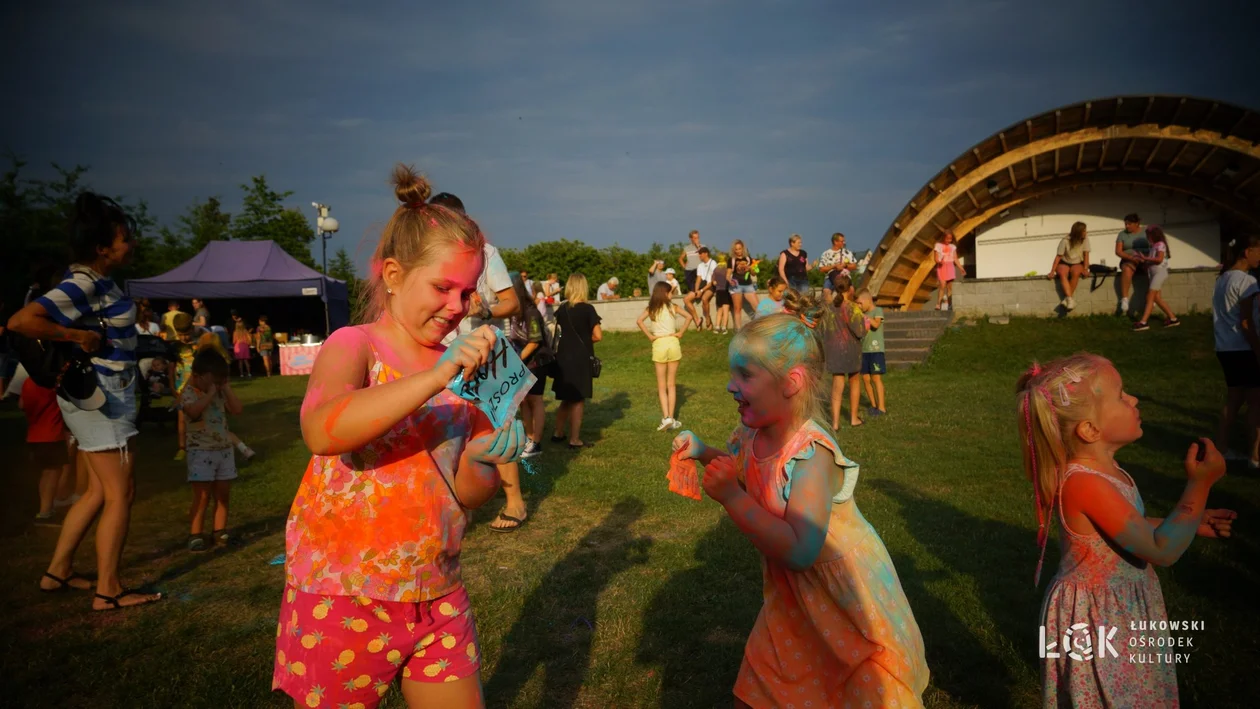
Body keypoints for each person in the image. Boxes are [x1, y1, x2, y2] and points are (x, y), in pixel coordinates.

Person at [274, 164, 524, 709]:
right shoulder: (353, 344)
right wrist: (435, 376)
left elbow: (467, 494)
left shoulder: (468, 371)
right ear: (391, 274)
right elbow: (322, 429)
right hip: (341, 594)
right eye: (442, 287)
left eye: (466, 291)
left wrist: (485, 454)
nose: (457, 307)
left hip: (436, 591)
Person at [671, 301, 928, 708]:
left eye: (745, 375)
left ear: (790, 383)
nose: (730, 386)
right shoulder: (751, 434)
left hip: (842, 601)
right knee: (760, 690)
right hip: (790, 601)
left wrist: (733, 499)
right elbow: (744, 471)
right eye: (731, 373)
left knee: (851, 690)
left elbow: (801, 549)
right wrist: (703, 451)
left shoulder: (812, 456)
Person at [1017, 354, 1233, 708]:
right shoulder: (1083, 483)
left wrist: (1190, 522)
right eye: (1121, 395)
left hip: (1121, 610)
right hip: (1099, 620)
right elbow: (1162, 551)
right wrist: (1200, 484)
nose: (1133, 400)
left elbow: (1120, 527)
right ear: (1089, 430)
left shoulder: (1107, 471)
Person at [9, 192, 161, 609]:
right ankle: (108, 590)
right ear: (101, 247)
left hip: (103, 395)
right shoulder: (84, 283)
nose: (131, 243)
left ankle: (57, 571)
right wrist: (78, 336)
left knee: (96, 491)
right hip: (104, 398)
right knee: (120, 493)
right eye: (124, 237)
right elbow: (22, 321)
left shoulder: (100, 283)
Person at [491, 273, 549, 533]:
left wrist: (517, 360)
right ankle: (527, 438)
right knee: (523, 403)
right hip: (520, 366)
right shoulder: (512, 315)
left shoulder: (531, 313)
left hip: (534, 364)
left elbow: (535, 340)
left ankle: (536, 440)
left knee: (535, 401)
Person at [430, 192, 521, 337]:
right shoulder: (426, 256)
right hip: (441, 349)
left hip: (481, 350)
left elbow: (512, 303)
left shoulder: (486, 252)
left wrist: (486, 312)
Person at [181, 348, 243, 551]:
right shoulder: (189, 392)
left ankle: (220, 531)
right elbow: (192, 412)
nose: (217, 383)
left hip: (223, 449)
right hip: (201, 451)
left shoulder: (219, 391)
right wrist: (209, 395)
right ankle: (196, 533)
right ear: (199, 376)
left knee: (223, 493)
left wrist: (226, 390)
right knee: (202, 496)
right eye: (213, 379)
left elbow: (237, 410)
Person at [1212, 234, 1260, 465]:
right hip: (1243, 348)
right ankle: (1255, 455)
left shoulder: (1222, 278)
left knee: (1233, 401)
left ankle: (1220, 447)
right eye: (1258, 251)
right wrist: (1258, 350)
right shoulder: (1247, 281)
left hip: (1225, 348)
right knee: (1255, 403)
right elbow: (1246, 322)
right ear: (1246, 252)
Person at [551, 274, 602, 450]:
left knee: (566, 397)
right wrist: (585, 340)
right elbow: (598, 335)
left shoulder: (562, 309)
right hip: (580, 358)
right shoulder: (588, 310)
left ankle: (558, 432)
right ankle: (575, 439)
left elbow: (558, 333)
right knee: (578, 399)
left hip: (563, 357)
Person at [637, 281, 693, 432]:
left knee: (662, 385)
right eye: (670, 292)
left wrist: (650, 336)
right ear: (665, 293)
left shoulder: (651, 309)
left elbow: (639, 321)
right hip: (673, 343)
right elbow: (689, 317)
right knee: (671, 384)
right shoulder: (673, 307)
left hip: (659, 344)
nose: (672, 295)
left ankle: (666, 417)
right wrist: (680, 333)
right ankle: (672, 419)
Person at [820, 276, 868, 429]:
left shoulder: (830, 308)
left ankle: (834, 423)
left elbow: (824, 330)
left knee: (837, 384)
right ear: (850, 288)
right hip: (851, 349)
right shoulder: (853, 307)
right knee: (854, 381)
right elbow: (860, 331)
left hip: (834, 350)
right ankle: (854, 418)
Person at [23, 376, 68, 526]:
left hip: (34, 434)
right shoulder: (51, 383)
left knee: (45, 473)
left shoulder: (28, 381)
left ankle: (45, 508)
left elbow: (21, 404)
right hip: (51, 434)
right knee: (52, 473)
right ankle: (45, 512)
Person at [1133, 225, 1180, 331]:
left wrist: (1145, 258)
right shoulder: (1154, 246)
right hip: (1155, 274)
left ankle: (1143, 322)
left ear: (1153, 235)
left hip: (1160, 273)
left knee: (1150, 297)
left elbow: (1159, 259)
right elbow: (1153, 261)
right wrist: (1143, 260)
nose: (1147, 238)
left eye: (1148, 236)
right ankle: (1173, 319)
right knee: (1157, 298)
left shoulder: (1160, 245)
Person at [1046, 221, 1091, 311]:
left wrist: (1086, 268)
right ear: (1078, 232)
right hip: (1065, 261)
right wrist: (1052, 271)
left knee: (1076, 272)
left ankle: (1066, 299)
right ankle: (1070, 299)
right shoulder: (1065, 240)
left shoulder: (1085, 239)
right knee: (1062, 273)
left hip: (1078, 262)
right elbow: (1058, 256)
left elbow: (1086, 254)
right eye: (1084, 231)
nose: (1086, 233)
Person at [857, 290, 887, 416]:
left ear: (867, 300)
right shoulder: (861, 314)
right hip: (864, 350)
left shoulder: (877, 311)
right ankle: (873, 406)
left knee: (876, 378)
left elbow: (875, 325)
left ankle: (882, 408)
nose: (859, 306)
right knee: (865, 379)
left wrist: (866, 317)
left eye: (860, 303)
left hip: (876, 350)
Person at [1115, 213, 1150, 314]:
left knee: (1152, 270)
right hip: (1128, 259)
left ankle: (1152, 297)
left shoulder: (1146, 232)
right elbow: (1118, 251)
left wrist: (1145, 257)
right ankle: (1124, 299)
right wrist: (1131, 257)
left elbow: (1153, 246)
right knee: (1127, 269)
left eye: (1129, 224)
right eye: (1125, 224)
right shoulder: (1122, 234)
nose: (1127, 226)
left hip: (1145, 258)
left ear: (1137, 223)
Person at [729, 239, 760, 329]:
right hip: (736, 285)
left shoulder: (748, 259)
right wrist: (729, 280)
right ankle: (738, 330)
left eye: (740, 248)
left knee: (758, 307)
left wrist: (750, 269)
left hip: (748, 285)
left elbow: (754, 273)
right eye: (736, 249)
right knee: (737, 308)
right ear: (734, 250)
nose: (738, 251)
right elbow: (728, 273)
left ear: (743, 248)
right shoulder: (731, 260)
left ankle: (761, 326)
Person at [818, 232, 857, 302]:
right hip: (830, 277)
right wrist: (834, 266)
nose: (844, 243)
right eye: (842, 241)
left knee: (851, 290)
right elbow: (821, 269)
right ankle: (831, 310)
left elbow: (854, 266)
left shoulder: (847, 252)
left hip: (845, 276)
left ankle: (849, 308)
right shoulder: (826, 254)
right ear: (835, 242)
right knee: (826, 291)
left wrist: (845, 265)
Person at [685, 247, 717, 330]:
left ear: (706, 253)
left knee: (704, 299)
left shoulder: (713, 263)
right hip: (701, 286)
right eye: (699, 253)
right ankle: (697, 320)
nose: (699, 255)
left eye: (700, 253)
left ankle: (707, 319)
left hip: (710, 286)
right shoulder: (700, 265)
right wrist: (696, 291)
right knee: (686, 299)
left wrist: (701, 291)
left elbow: (712, 282)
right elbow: (698, 279)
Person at [933, 230, 963, 311]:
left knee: (950, 286)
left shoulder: (953, 247)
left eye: (950, 239)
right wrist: (940, 261)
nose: (949, 240)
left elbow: (955, 258)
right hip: (941, 267)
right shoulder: (938, 245)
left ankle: (950, 305)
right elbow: (935, 259)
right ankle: (938, 303)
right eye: (947, 238)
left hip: (950, 267)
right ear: (943, 237)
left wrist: (961, 268)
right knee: (942, 285)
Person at [677, 230, 705, 295]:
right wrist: (684, 267)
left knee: (700, 287)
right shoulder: (687, 248)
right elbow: (680, 259)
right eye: (695, 238)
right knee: (691, 288)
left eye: (698, 237)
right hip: (689, 270)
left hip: (699, 270)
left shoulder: (703, 247)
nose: (697, 239)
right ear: (691, 238)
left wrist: (698, 247)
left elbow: (705, 257)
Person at [713, 253, 733, 334]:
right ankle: (724, 327)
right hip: (726, 290)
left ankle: (717, 326)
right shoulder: (727, 268)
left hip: (718, 291)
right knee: (726, 310)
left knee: (719, 310)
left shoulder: (716, 269)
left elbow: (713, 281)